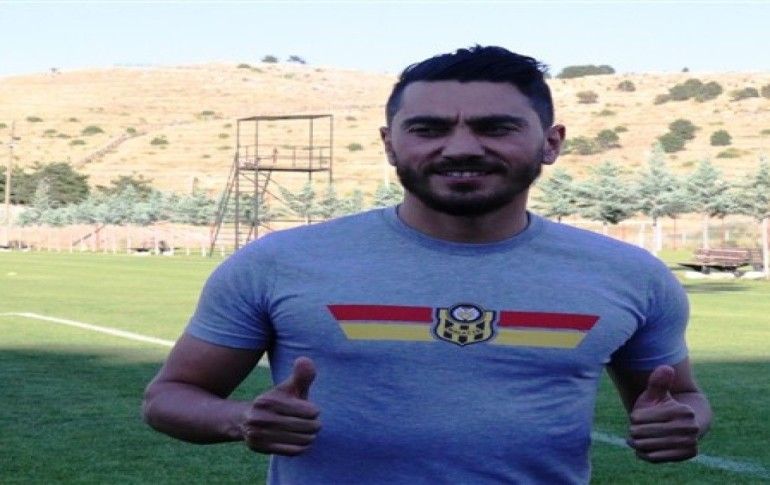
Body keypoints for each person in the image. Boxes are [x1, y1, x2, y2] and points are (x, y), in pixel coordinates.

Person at [142, 46, 712, 484]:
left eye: (496, 127)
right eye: (429, 129)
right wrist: (241, 419)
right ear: (390, 144)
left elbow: (682, 397)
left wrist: (682, 421)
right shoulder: (279, 262)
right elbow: (169, 397)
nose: (461, 147)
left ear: (551, 142)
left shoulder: (630, 275)